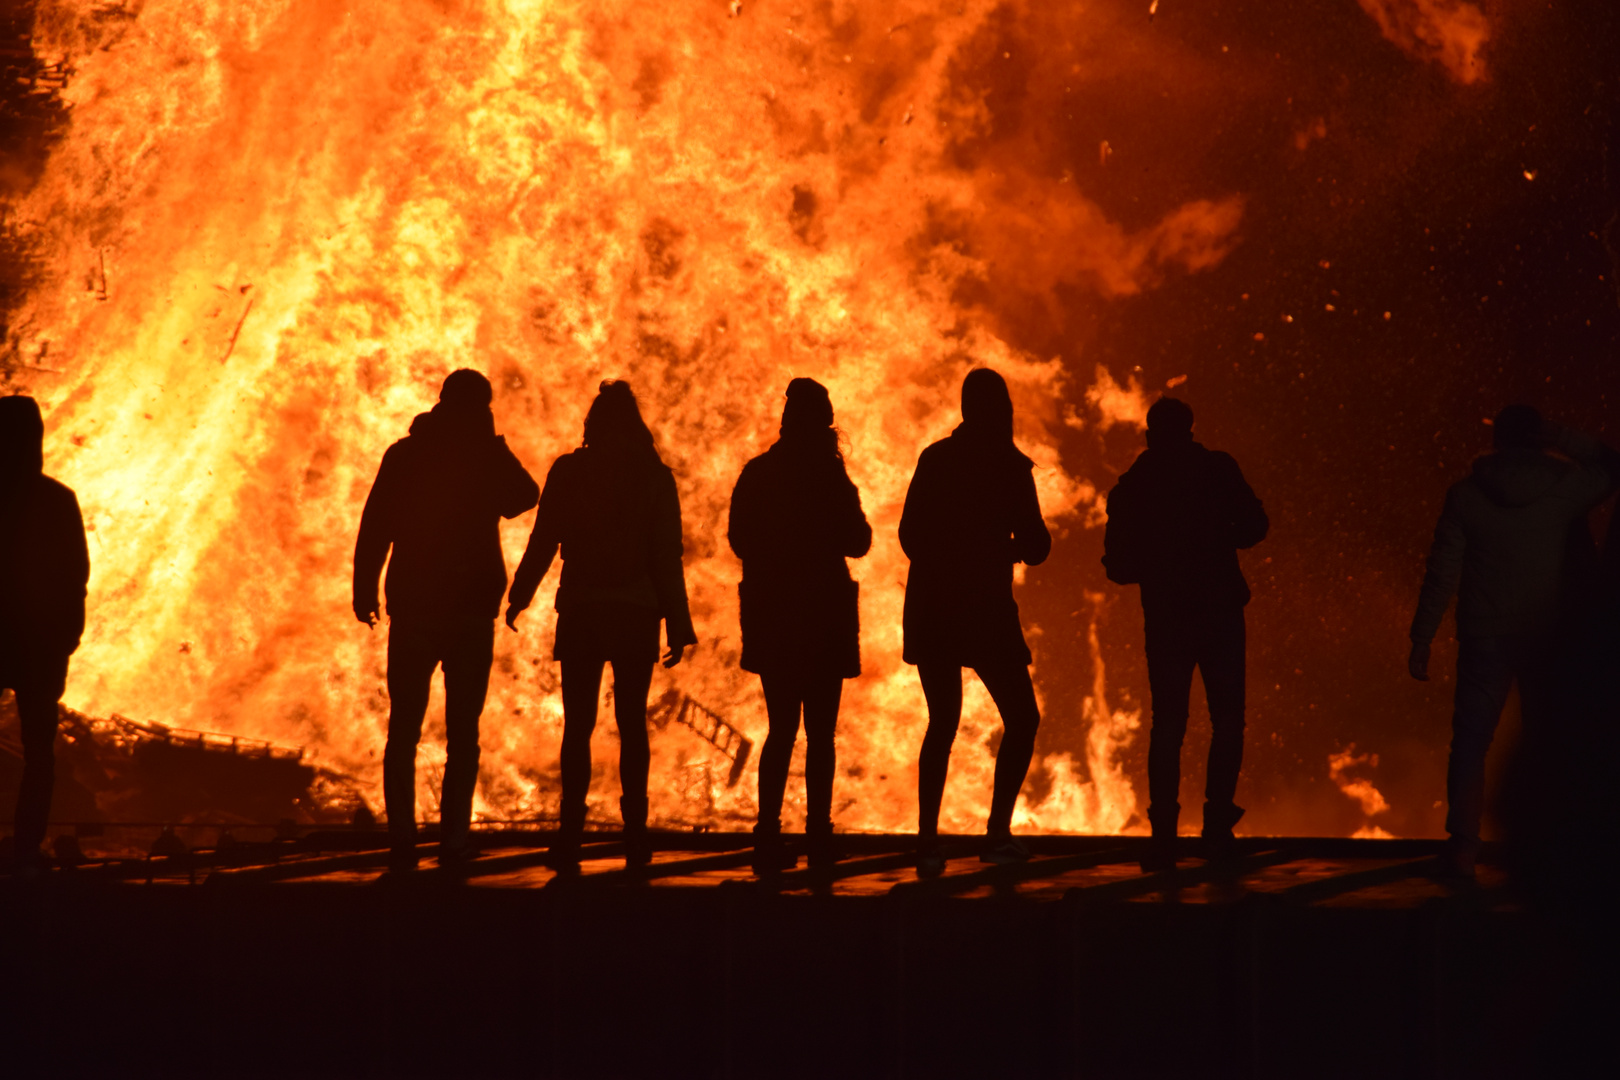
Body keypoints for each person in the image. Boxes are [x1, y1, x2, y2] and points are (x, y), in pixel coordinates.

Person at [1407, 404, 1618, 878]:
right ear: (1539, 439)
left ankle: (1463, 847)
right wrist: (1561, 432)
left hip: (1486, 632)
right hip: (1548, 634)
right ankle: (1554, 848)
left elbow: (1442, 570)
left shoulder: (1465, 496)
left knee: (1470, 741)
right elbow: (1612, 466)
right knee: (1546, 740)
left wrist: (1422, 636)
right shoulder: (1566, 490)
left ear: (1497, 441)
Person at [506, 380, 696, 872]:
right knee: (632, 724)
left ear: (592, 425)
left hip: (584, 611)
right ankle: (636, 833)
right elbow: (666, 556)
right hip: (635, 613)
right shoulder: (654, 477)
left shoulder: (570, 472)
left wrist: (520, 595)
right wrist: (678, 622)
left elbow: (544, 538)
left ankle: (570, 833)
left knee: (579, 726)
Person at [354, 370, 539, 873]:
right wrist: (494, 442)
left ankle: (402, 841)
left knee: (404, 728)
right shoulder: (482, 456)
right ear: (480, 408)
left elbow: (375, 526)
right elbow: (525, 494)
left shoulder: (406, 454)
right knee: (463, 730)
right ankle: (453, 838)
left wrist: (364, 588)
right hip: (468, 612)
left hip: (414, 605)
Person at [1102, 397, 1268, 872]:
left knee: (1169, 724)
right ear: (1190, 430)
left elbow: (1116, 565)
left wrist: (1159, 564)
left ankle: (1164, 839)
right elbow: (1256, 526)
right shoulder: (1215, 470)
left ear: (1152, 434)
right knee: (1227, 722)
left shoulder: (1135, 485)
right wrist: (1215, 536)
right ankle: (1216, 830)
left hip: (1168, 617)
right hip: (1218, 612)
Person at [901, 368, 1051, 869]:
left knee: (942, 721)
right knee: (1023, 719)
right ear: (1002, 409)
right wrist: (999, 548)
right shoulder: (1010, 467)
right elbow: (1037, 546)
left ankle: (926, 839)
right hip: (985, 610)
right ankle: (997, 833)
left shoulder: (935, 459)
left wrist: (946, 558)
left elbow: (908, 535)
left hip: (933, 608)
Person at [728, 379, 871, 874]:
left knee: (781, 729)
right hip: (823, 618)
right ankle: (817, 834)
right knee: (821, 734)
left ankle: (768, 834)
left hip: (774, 618)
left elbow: (740, 540)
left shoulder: (759, 474)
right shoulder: (831, 479)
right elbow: (859, 541)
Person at [0, 396, 89, 875]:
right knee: (39, 754)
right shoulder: (57, 500)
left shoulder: (53, 500)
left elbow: (72, 574)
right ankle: (26, 849)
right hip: (38, 647)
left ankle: (24, 848)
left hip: (23, 643)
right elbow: (74, 574)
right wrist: (66, 636)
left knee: (38, 754)